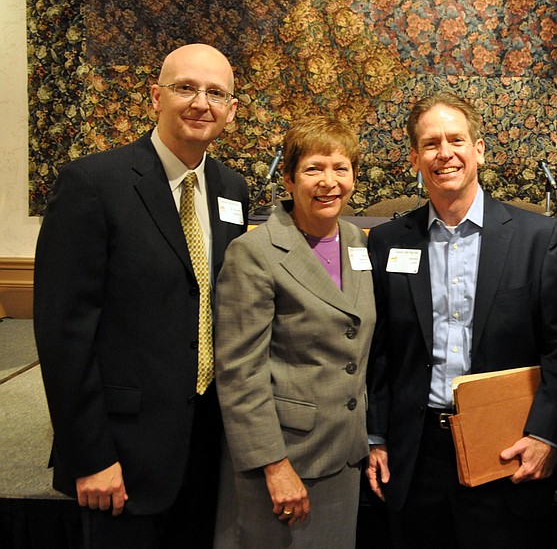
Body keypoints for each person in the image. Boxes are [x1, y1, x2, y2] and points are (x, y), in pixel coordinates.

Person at [33, 43, 249, 548]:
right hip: (119, 457)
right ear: (155, 96)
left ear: (231, 111)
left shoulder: (231, 190)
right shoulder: (93, 183)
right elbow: (64, 335)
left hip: (204, 448)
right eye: (185, 88)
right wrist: (90, 456)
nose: (201, 102)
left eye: (216, 92)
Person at [365, 92, 557, 549]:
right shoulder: (386, 242)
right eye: (430, 143)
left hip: (506, 449)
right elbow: (380, 351)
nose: (445, 153)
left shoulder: (536, 238)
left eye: (456, 140)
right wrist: (376, 435)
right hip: (416, 453)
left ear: (478, 149)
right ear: (414, 158)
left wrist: (546, 434)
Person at [213, 115, 375, 548]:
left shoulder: (359, 243)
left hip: (343, 453)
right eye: (313, 168)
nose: (329, 181)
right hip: (285, 460)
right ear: (287, 178)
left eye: (341, 168)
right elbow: (239, 373)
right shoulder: (255, 253)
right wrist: (273, 464)